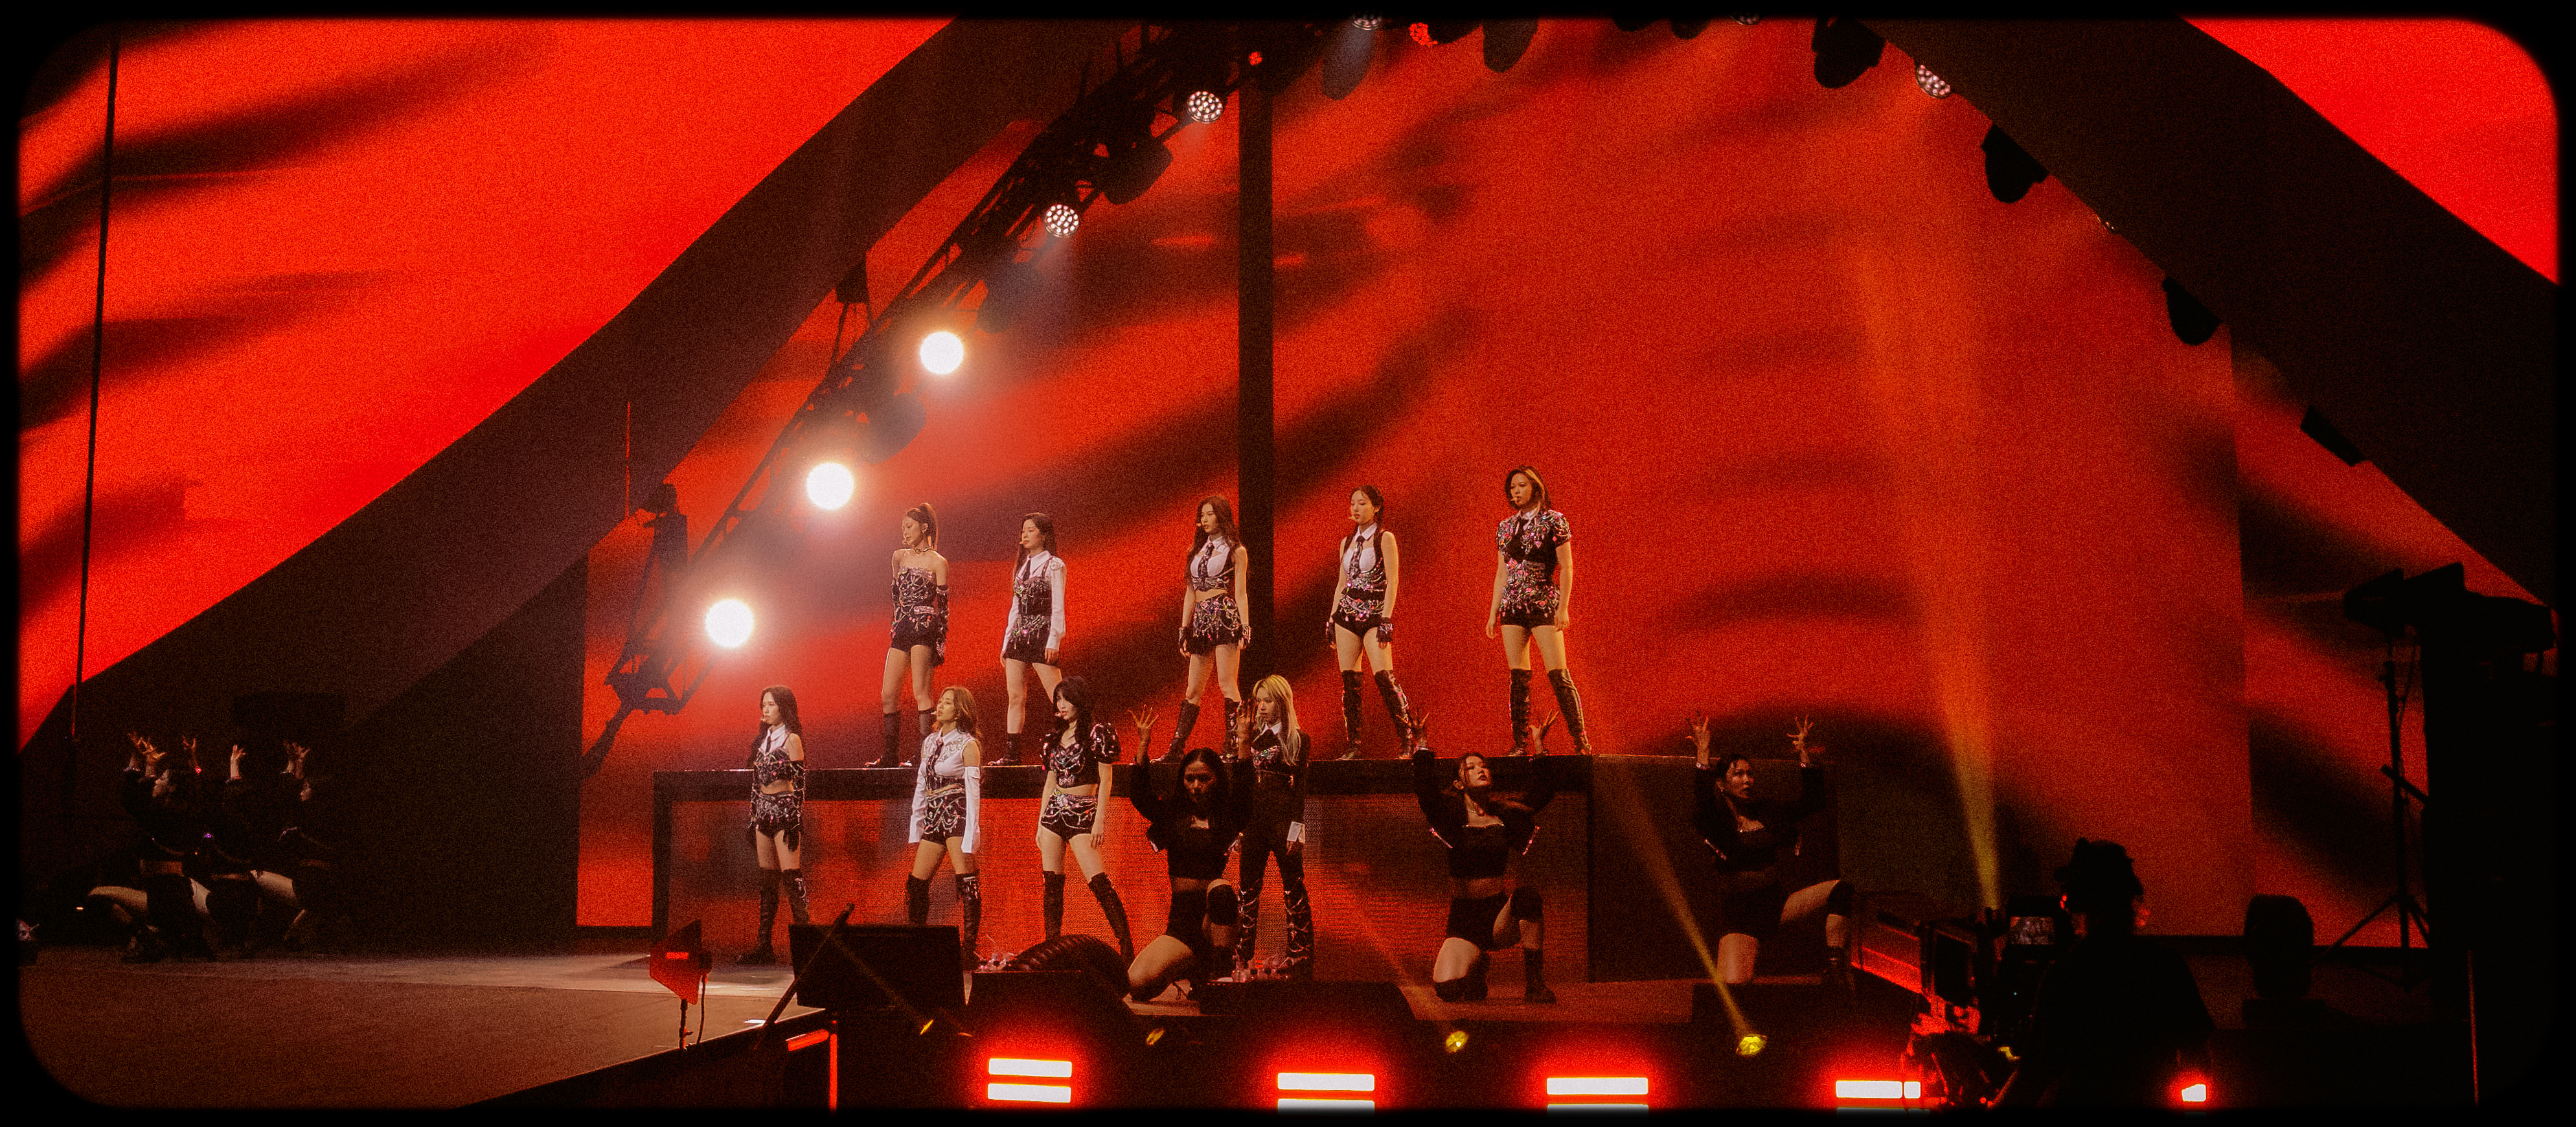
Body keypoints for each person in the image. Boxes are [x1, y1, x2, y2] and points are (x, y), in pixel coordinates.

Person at [1996, 839, 2215, 1107]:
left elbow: (2032, 1075)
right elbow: (2197, 1058)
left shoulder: (2067, 974)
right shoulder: (2167, 966)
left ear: (2074, 903)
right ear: (2130, 899)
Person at [1691, 715, 1850, 985]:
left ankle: (1835, 970)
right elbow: (1703, 802)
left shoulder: (1767, 811)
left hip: (1777, 905)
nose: (1747, 780)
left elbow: (1813, 801)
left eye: (1750, 774)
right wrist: (1703, 753)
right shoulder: (1717, 820)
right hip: (1741, 916)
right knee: (1735, 987)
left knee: (1841, 890)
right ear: (1722, 784)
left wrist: (1804, 754)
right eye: (1738, 774)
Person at [1412, 721, 1558, 1003]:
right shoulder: (1451, 816)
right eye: (1471, 767)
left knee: (1528, 898)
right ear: (1459, 783)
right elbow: (1426, 793)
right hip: (1464, 919)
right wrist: (1422, 745)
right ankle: (1477, 964)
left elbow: (1543, 793)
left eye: (1484, 766)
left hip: (1497, 916)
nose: (1481, 769)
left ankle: (1535, 984)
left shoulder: (1505, 813)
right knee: (1449, 991)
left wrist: (1539, 745)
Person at [1124, 741, 1253, 1003]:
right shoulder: (1173, 814)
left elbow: (1244, 795)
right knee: (1137, 984)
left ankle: (1220, 974)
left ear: (1216, 780)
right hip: (1182, 923)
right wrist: (1143, 748)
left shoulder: (1226, 816)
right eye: (1190, 779)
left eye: (1204, 779)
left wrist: (1245, 744)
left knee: (1220, 888)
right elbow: (1140, 797)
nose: (1196, 786)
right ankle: (1193, 965)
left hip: (1214, 919)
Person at [1485, 465, 1592, 755]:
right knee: (1518, 677)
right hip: (1512, 605)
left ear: (1535, 487)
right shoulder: (1506, 527)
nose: (1516, 492)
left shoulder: (1554, 521)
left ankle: (1581, 741)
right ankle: (1520, 743)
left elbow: (1567, 567)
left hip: (1543, 602)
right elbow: (1501, 573)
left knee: (1558, 674)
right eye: (1512, 488)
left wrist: (1563, 607)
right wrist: (1493, 612)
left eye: (1521, 485)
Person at [1034, 676, 1134, 961]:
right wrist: (1040, 821)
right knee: (1052, 885)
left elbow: (1106, 779)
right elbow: (1050, 781)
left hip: (1083, 812)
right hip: (1054, 812)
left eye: (1066, 699)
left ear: (1080, 700)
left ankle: (1127, 949)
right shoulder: (1054, 737)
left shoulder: (1097, 733)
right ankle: (1051, 950)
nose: (1061, 705)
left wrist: (1100, 819)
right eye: (1058, 700)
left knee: (1099, 883)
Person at [1233, 675, 1315, 979]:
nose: (1262, 707)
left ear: (1282, 701)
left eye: (1268, 700)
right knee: (1247, 890)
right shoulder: (1250, 736)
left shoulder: (1298, 739)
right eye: (1259, 701)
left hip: (1283, 822)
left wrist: (1297, 831)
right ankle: (1241, 956)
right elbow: (1239, 785)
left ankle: (1300, 954)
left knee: (1294, 887)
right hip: (1253, 822)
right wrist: (1237, 828)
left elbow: (1300, 790)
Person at [1328, 486, 1414, 759]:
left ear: (1376, 507)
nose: (1356, 508)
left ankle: (1408, 739)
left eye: (1362, 503)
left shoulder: (1384, 538)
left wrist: (1386, 618)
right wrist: (1332, 617)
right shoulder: (1346, 542)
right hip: (1346, 614)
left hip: (1375, 613)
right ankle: (1353, 746)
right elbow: (1341, 583)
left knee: (1384, 677)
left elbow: (1393, 580)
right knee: (1349, 682)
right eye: (1353, 503)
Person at [1163, 496, 1251, 762]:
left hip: (1224, 616)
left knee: (1227, 683)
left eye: (1210, 514)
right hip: (1201, 620)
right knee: (1193, 690)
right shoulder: (1196, 551)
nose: (1204, 519)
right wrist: (1184, 628)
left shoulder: (1236, 551)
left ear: (1221, 516)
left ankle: (1233, 746)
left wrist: (1245, 626)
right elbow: (1190, 592)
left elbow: (1241, 592)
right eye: (1202, 515)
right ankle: (1175, 749)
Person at [906, 686, 985, 972]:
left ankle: (968, 950)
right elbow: (921, 783)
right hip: (934, 815)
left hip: (957, 814)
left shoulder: (968, 744)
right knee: (916, 883)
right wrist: (917, 822)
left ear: (960, 711)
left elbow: (973, 793)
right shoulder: (929, 742)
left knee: (967, 881)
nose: (939, 706)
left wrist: (972, 833)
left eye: (947, 703)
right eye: (939, 701)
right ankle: (917, 945)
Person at [118, 734, 216, 962]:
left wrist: (136, 761)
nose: (156, 781)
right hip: (173, 890)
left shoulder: (163, 817)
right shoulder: (181, 813)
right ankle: (169, 938)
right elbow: (193, 788)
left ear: (172, 788)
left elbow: (132, 799)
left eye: (162, 778)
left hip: (165, 895)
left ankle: (152, 940)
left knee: (100, 899)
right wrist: (190, 762)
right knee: (177, 930)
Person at [872, 503, 950, 768]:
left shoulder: (938, 562)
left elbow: (944, 608)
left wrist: (940, 642)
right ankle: (890, 755)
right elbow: (896, 598)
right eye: (903, 527)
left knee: (921, 692)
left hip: (925, 627)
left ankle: (924, 754)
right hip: (902, 627)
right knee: (888, 694)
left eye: (909, 527)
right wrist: (896, 624)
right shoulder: (899, 557)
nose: (904, 532)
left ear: (924, 528)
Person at [740, 686, 810, 964]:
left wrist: (795, 820)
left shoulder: (792, 739)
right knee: (767, 882)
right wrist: (752, 817)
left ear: (784, 707)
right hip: (763, 812)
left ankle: (807, 944)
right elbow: (755, 785)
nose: (765, 710)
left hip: (785, 812)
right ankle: (763, 946)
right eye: (763, 705)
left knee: (792, 878)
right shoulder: (762, 741)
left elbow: (800, 786)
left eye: (771, 704)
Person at [997, 513, 1067, 768]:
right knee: (1015, 697)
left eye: (1030, 530)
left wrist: (1054, 640)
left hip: (1042, 635)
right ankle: (1012, 754)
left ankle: (1067, 745)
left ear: (1044, 535)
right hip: (1018, 637)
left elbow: (1058, 606)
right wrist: (1006, 642)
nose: (1024, 535)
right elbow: (1014, 608)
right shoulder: (1022, 566)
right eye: (1023, 530)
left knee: (1059, 697)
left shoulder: (1054, 565)